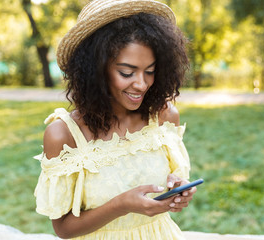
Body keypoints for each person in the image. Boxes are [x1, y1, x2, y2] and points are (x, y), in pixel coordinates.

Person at [34, 0, 196, 239]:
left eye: (149, 71)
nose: (141, 84)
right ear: (97, 70)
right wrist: (121, 205)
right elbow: (63, 229)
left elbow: (175, 178)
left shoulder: (164, 116)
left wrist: (177, 189)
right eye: (127, 73)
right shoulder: (64, 135)